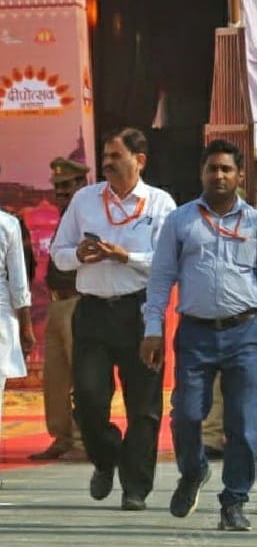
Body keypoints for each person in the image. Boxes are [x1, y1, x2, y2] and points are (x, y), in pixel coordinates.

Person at [141, 139, 257, 532]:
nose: (219, 175)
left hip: (244, 333)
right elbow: (160, 280)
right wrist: (152, 329)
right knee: (187, 415)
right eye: (213, 168)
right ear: (202, 173)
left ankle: (234, 501)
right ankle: (193, 472)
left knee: (242, 424)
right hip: (195, 333)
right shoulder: (181, 220)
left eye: (227, 169)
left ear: (240, 176)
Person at [50, 128, 176, 510]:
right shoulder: (85, 200)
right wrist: (80, 256)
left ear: (140, 160)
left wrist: (127, 257)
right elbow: (58, 253)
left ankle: (136, 488)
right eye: (105, 156)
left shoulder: (161, 203)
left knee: (144, 406)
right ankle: (107, 459)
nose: (106, 163)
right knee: (88, 398)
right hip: (92, 311)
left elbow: (170, 263)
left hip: (141, 313)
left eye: (115, 156)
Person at [29, 157, 90, 462]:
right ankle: (62, 437)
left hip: (79, 302)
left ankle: (82, 440)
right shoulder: (63, 217)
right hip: (56, 303)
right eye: (57, 186)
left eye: (67, 185)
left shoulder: (88, 217)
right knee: (54, 378)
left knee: (82, 375)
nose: (61, 191)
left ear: (82, 184)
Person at [0, 207, 35, 456]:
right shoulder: (7, 223)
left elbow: (19, 282)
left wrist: (25, 324)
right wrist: (26, 325)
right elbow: (18, 282)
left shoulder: (8, 224)